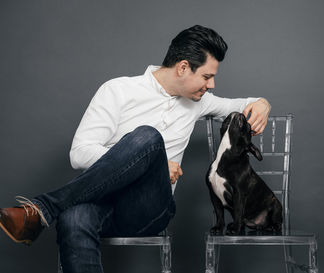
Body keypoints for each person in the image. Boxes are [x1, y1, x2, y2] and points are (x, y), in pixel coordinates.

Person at [0, 25, 271, 272]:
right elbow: (79, 154)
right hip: (100, 203)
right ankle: (49, 211)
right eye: (207, 76)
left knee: (147, 137)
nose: (211, 85)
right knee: (73, 217)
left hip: (149, 210)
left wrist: (262, 103)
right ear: (183, 67)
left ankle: (41, 210)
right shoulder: (117, 90)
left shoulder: (199, 101)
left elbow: (247, 102)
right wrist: (154, 163)